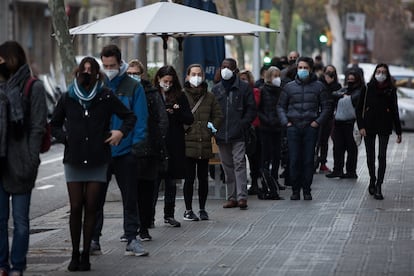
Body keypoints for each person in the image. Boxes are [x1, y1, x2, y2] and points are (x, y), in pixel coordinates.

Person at [50, 56, 137, 271]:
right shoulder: (68, 96)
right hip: (74, 159)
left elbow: (129, 117)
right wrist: (66, 137)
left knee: (91, 207)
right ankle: (74, 254)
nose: (86, 73)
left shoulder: (105, 95)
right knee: (75, 206)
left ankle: (86, 253)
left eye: (91, 69)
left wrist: (120, 133)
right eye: (83, 69)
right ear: (78, 72)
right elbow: (54, 124)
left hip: (99, 158)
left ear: (97, 73)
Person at [92, 44, 149, 257]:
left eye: (112, 65)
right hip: (102, 151)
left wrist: (135, 146)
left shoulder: (133, 86)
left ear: (120, 63)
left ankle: (132, 238)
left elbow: (141, 118)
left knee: (130, 198)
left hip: (126, 152)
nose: (108, 69)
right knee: (96, 198)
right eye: (105, 65)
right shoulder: (98, 85)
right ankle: (94, 239)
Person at [0, 41, 47, 276]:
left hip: (21, 164)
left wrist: (31, 159)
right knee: (0, 221)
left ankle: (17, 265)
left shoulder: (32, 87)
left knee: (20, 221)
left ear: (11, 59)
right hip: (0, 162)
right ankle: (2, 265)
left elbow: (39, 126)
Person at [277, 56, 331, 200]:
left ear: (311, 69)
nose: (302, 70)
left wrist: (317, 122)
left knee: (308, 160)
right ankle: (295, 190)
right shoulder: (289, 87)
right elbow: (281, 106)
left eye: (305, 68)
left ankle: (306, 190)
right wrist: (286, 122)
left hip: (310, 128)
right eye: (300, 67)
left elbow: (326, 107)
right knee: (294, 159)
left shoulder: (319, 86)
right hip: (293, 127)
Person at [127, 59, 169, 240]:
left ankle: (143, 227)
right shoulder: (123, 92)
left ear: (141, 74)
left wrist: (156, 139)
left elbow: (162, 119)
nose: (132, 77)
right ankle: (130, 228)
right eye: (129, 73)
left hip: (149, 150)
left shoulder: (151, 94)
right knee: (130, 193)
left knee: (146, 191)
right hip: (129, 150)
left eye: (135, 73)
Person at [212, 58, 256, 210]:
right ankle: (231, 197)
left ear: (235, 70)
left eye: (229, 67)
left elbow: (251, 109)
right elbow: (212, 111)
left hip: (238, 133)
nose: (226, 69)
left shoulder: (244, 88)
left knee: (239, 163)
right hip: (221, 134)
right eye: (223, 66)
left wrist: (243, 124)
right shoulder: (216, 89)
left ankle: (242, 197)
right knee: (227, 166)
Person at [152, 65, 194, 227]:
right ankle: (149, 216)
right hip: (157, 143)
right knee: (154, 182)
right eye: (164, 81)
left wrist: (175, 112)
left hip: (174, 144)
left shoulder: (180, 96)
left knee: (170, 181)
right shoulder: (153, 95)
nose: (167, 84)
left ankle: (168, 214)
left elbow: (189, 118)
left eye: (170, 81)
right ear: (158, 79)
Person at [182, 64, 223, 221]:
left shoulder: (210, 96)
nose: (196, 77)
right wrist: (186, 129)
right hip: (187, 143)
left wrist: (212, 127)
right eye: (193, 73)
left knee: (203, 178)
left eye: (199, 74)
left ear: (204, 76)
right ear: (187, 76)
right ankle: (188, 209)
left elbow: (218, 115)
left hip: (204, 142)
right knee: (189, 178)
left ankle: (202, 208)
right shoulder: (182, 95)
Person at [356, 63, 402, 200]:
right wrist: (361, 126)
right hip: (369, 126)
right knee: (370, 156)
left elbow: (394, 110)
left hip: (384, 126)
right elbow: (359, 109)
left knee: (382, 156)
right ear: (375, 73)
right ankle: (372, 179)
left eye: (383, 72)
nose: (380, 74)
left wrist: (398, 131)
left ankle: (379, 185)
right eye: (378, 71)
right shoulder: (367, 88)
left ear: (387, 75)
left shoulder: (391, 90)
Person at [326, 70, 364, 179]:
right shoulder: (345, 89)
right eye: (349, 79)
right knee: (338, 147)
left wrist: (343, 96)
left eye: (353, 79)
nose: (350, 81)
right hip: (338, 123)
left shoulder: (360, 91)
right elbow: (334, 94)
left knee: (351, 148)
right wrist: (343, 94)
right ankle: (337, 170)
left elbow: (354, 99)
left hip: (351, 124)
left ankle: (351, 171)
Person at [257, 66, 284, 194]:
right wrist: (266, 120)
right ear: (269, 77)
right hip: (266, 127)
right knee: (266, 155)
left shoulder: (281, 91)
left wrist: (280, 120)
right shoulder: (262, 90)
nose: (277, 79)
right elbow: (258, 109)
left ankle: (274, 179)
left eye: (279, 76)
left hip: (278, 127)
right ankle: (265, 180)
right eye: (275, 76)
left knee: (277, 155)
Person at [239, 70, 262, 195]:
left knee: (254, 157)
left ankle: (254, 183)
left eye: (245, 79)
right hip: (241, 129)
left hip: (254, 128)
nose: (243, 82)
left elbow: (254, 105)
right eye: (241, 79)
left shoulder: (255, 92)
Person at [315, 65, 342, 173]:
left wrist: (331, 85)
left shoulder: (337, 85)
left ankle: (323, 163)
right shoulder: (319, 83)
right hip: (318, 116)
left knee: (324, 141)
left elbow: (337, 99)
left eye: (332, 72)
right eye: (328, 72)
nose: (329, 74)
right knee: (316, 140)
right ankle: (313, 162)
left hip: (329, 117)